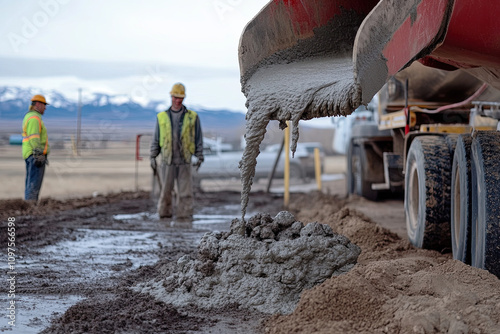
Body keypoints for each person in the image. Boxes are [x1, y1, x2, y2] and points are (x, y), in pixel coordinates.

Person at [150, 83, 204, 219]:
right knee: (165, 191)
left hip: (184, 160)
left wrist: (199, 155)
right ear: (171, 97)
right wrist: (152, 156)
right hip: (167, 161)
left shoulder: (193, 117)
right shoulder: (161, 117)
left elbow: (198, 138)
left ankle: (184, 216)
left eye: (180, 97)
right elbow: (156, 138)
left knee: (185, 192)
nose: (178, 100)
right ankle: (164, 216)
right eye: (175, 97)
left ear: (184, 98)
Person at [22, 94, 50, 202]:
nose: (45, 108)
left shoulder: (30, 116)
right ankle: (31, 210)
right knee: (34, 184)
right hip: (35, 156)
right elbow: (34, 137)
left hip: (31, 154)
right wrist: (39, 155)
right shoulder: (34, 118)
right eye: (44, 105)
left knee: (31, 183)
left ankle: (29, 208)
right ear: (38, 104)